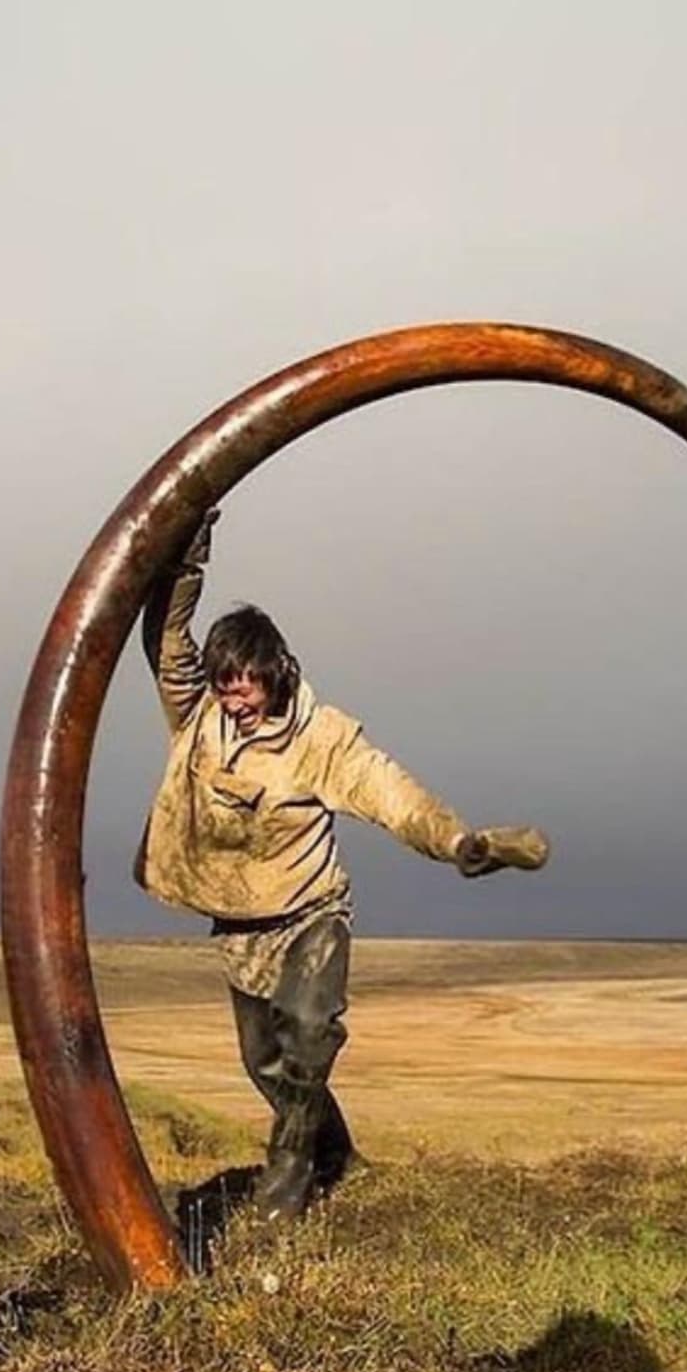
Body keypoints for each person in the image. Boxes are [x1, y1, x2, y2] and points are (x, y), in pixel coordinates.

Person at [135, 510, 549, 1222]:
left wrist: (455, 842)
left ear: (274, 674)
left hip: (310, 912)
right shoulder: (198, 715)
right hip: (240, 925)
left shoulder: (320, 737)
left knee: (310, 1029)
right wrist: (185, 553)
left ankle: (288, 1178)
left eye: (245, 685)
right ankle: (337, 1156)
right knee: (266, 1063)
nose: (233, 699)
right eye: (223, 683)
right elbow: (167, 639)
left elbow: (389, 790)